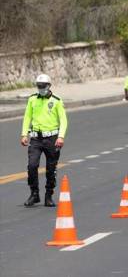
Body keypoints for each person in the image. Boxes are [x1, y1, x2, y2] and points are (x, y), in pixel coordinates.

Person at [20, 74, 68, 207]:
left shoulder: (57, 101)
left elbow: (63, 120)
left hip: (52, 139)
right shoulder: (32, 100)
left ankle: (49, 195)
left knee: (51, 168)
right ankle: (34, 194)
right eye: (38, 86)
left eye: (43, 86)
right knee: (32, 166)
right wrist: (24, 134)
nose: (40, 88)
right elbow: (27, 117)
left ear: (49, 86)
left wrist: (61, 137)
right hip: (36, 138)